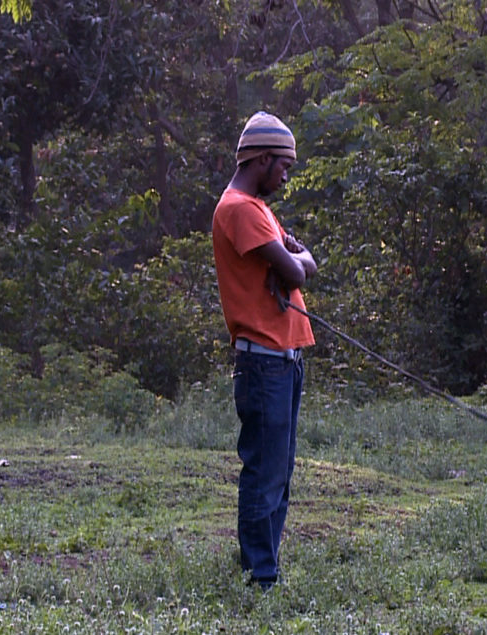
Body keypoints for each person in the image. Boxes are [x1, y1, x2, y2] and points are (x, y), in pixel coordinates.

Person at [211, 111, 317, 591]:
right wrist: (300, 258)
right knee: (265, 472)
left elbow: (296, 259)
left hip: (284, 357)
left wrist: (296, 256)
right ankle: (261, 576)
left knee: (280, 470)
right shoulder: (241, 209)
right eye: (284, 167)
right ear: (262, 159)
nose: (286, 176)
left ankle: (265, 564)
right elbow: (298, 269)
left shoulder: (258, 208)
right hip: (264, 361)